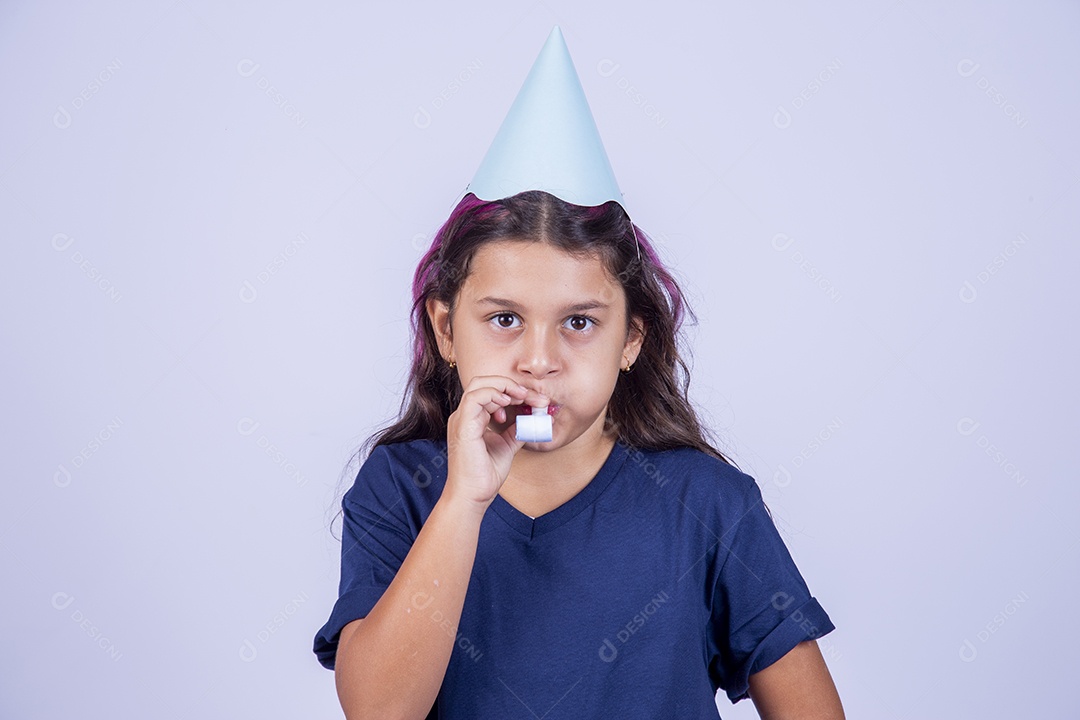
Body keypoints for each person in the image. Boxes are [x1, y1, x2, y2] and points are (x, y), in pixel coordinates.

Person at [313, 27, 844, 720]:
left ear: (631, 340)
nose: (539, 359)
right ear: (447, 329)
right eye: (504, 319)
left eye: (580, 323)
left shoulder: (706, 504)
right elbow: (378, 711)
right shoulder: (403, 490)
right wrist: (464, 502)